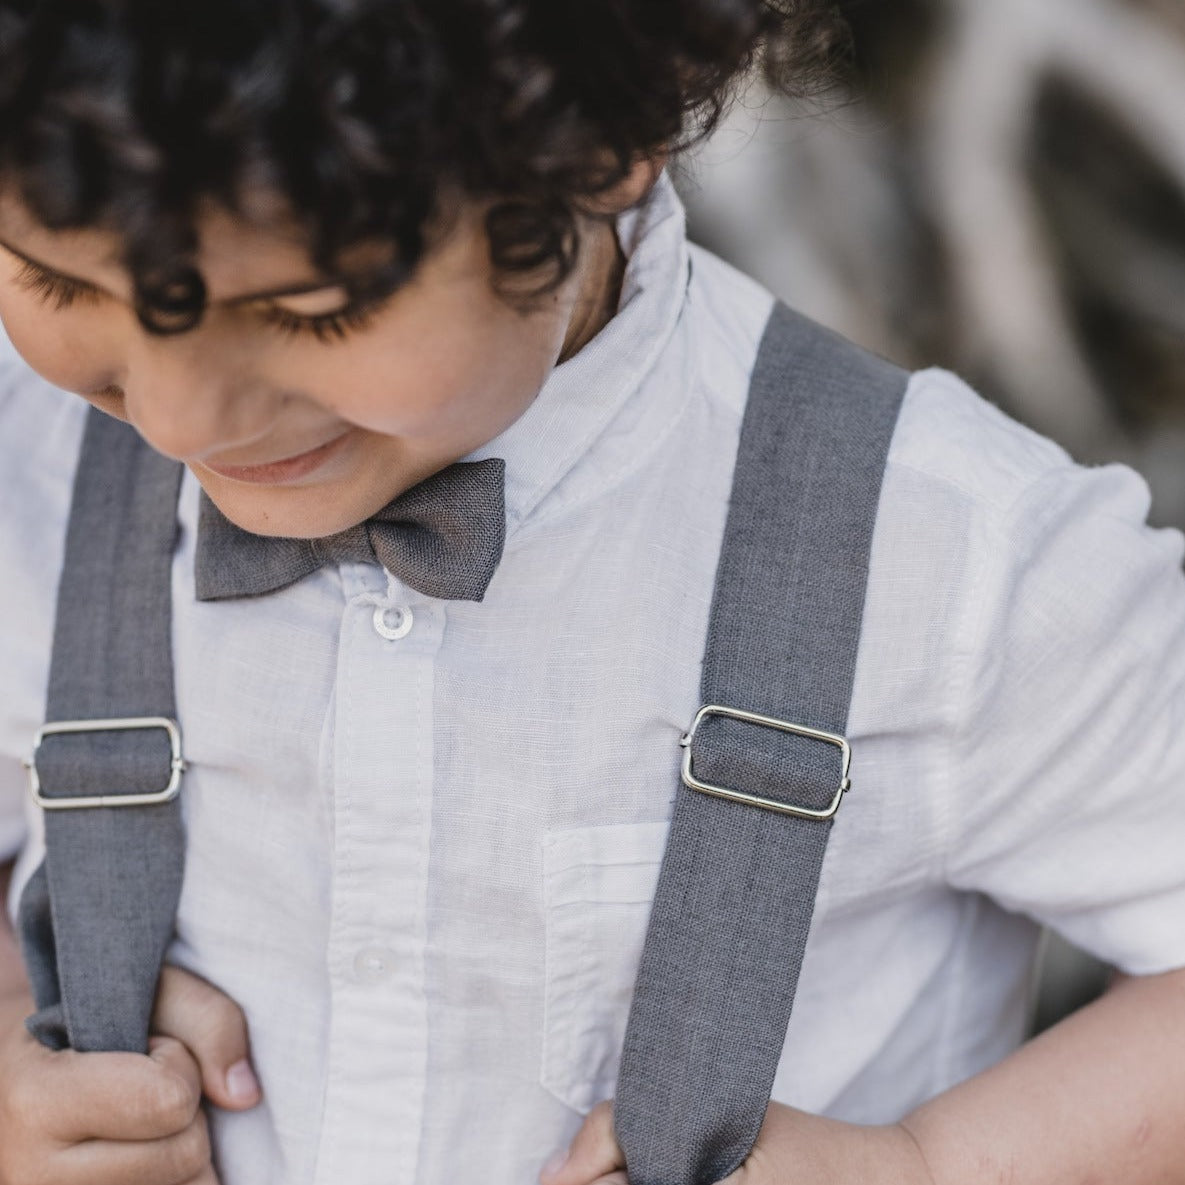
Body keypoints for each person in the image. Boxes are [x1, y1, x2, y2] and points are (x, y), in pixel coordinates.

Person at [0, 2, 1184, 1184]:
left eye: (313, 312)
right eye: (60, 284)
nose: (178, 419)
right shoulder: (27, 454)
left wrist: (927, 1165)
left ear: (595, 143)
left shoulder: (956, 554)